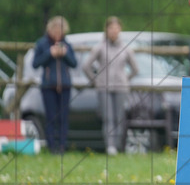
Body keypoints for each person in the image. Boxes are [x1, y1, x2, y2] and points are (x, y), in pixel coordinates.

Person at [80, 17, 139, 155]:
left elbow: (135, 69)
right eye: (110, 28)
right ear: (106, 30)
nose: (113, 31)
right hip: (104, 88)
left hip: (121, 88)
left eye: (116, 28)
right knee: (108, 118)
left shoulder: (126, 48)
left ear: (120, 29)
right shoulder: (99, 47)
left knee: (119, 117)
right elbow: (86, 66)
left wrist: (125, 79)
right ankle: (110, 146)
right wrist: (96, 81)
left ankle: (119, 145)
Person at [33, 15, 77, 154]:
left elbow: (74, 63)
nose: (58, 33)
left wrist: (65, 54)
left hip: (65, 86)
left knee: (64, 117)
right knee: (51, 117)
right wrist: (49, 53)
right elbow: (35, 63)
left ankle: (62, 146)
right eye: (56, 29)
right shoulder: (42, 44)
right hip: (48, 86)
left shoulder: (67, 44)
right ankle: (52, 147)